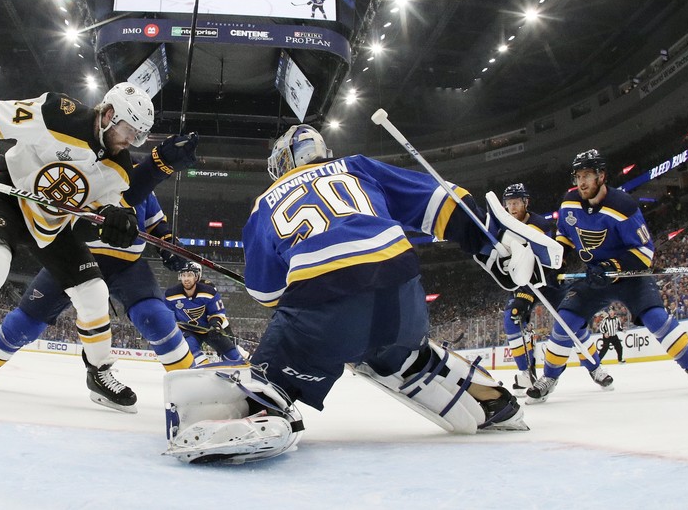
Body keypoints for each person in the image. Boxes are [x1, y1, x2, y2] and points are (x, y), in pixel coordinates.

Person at [161, 124, 562, 464]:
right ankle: (494, 403)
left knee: (267, 382)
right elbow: (444, 203)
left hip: (323, 303)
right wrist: (489, 247)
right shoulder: (356, 166)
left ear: (283, 163)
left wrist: (321, 327)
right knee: (401, 352)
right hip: (403, 289)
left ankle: (264, 409)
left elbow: (268, 294)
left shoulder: (264, 203)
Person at [0, 81, 198, 408]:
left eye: (138, 136)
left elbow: (108, 205)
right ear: (108, 114)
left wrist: (119, 218)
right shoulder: (58, 112)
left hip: (51, 225)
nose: (130, 141)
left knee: (93, 291)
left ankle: (99, 372)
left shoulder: (119, 168)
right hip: (8, 196)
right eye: (128, 131)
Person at [0, 191, 196, 412]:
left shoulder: (141, 179)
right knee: (24, 323)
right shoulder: (85, 164)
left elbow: (157, 227)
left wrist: (170, 248)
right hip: (74, 256)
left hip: (127, 266)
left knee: (154, 316)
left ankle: (196, 390)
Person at [526, 149, 688, 403]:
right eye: (578, 176)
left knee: (656, 318)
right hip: (594, 279)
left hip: (629, 277)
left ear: (601, 176)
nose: (581, 182)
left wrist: (612, 266)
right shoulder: (569, 202)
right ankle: (549, 377)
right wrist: (554, 265)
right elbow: (564, 238)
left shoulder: (623, 206)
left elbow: (645, 253)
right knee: (564, 322)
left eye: (588, 176)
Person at [499, 183, 570, 396]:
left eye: (516, 203)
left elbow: (542, 256)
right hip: (524, 282)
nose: (512, 208)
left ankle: (595, 367)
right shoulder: (503, 225)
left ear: (525, 202)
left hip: (546, 280)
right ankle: (526, 373)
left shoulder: (539, 224)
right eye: (509, 203)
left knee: (571, 319)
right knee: (513, 318)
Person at [164, 261, 245, 365]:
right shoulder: (171, 294)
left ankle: (239, 361)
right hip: (188, 330)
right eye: (183, 275)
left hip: (209, 329)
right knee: (190, 348)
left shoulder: (209, 291)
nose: (186, 279)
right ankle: (203, 368)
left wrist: (215, 325)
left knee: (231, 352)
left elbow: (217, 312)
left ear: (196, 277)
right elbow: (166, 314)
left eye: (189, 275)